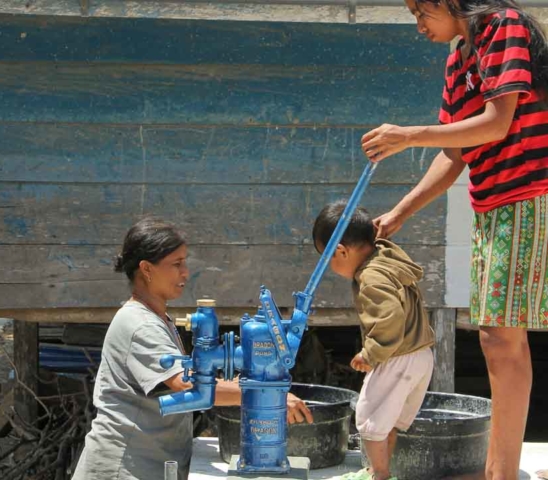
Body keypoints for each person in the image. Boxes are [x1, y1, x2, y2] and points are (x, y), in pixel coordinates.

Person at [361, 0, 548, 477]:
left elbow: (497, 122)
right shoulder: (458, 57)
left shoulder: (502, 27)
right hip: (491, 206)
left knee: (501, 339)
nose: (419, 25)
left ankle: (499, 473)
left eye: (422, 12)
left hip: (528, 194)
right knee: (498, 339)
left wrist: (408, 135)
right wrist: (399, 213)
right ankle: (499, 469)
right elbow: (456, 150)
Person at [72, 217, 313, 480]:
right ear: (146, 269)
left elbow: (195, 379)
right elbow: (188, 386)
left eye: (184, 262)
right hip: (121, 468)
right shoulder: (139, 325)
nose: (185, 272)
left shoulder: (157, 318)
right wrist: (269, 395)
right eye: (176, 264)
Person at [312, 201, 435, 480]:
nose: (329, 266)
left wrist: (370, 352)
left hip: (398, 356)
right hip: (421, 355)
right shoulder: (388, 258)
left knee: (367, 420)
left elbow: (389, 316)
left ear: (341, 251)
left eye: (327, 258)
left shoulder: (371, 277)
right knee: (385, 420)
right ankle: (379, 470)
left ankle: (379, 475)